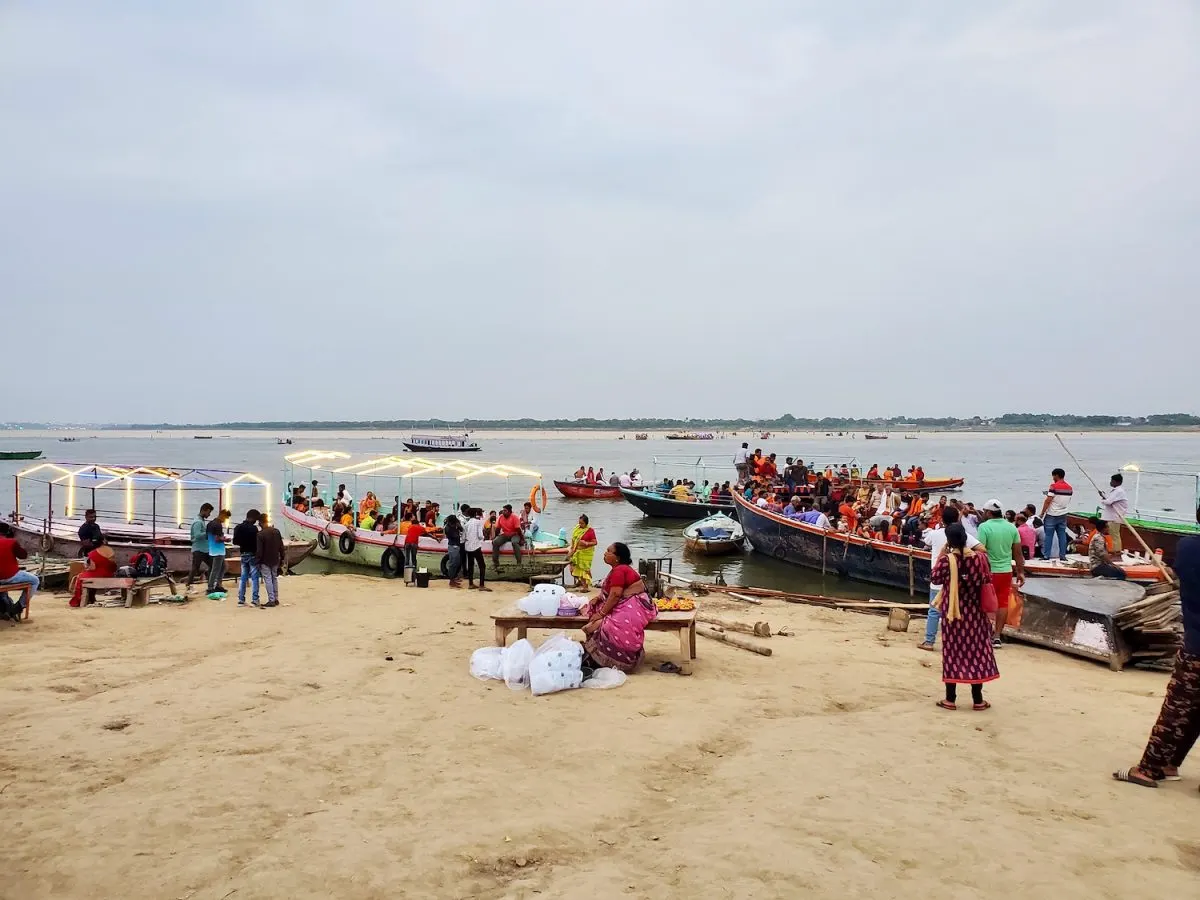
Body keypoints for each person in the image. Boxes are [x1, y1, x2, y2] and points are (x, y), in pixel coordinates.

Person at [1113, 505, 1200, 788]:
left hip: (1196, 650)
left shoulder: (1187, 548)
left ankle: (1151, 768)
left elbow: (1179, 574)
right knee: (1193, 712)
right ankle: (1169, 763)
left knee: (1178, 710)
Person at [929, 524, 999, 710]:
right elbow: (987, 578)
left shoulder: (947, 561)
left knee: (953, 654)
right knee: (976, 654)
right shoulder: (981, 559)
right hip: (976, 614)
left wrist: (942, 554)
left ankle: (950, 699)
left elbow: (935, 578)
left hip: (954, 615)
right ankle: (978, 700)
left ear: (949, 541)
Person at [581, 542, 659, 673]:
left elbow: (615, 595)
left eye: (609, 551)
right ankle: (597, 656)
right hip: (625, 601)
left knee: (611, 625)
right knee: (598, 619)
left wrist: (601, 613)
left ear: (617, 557)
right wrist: (599, 598)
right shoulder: (617, 570)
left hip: (635, 603)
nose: (605, 553)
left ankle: (620, 660)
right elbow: (610, 592)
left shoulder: (620, 570)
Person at [919, 507, 981, 650]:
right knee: (957, 611)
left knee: (934, 610)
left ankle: (929, 641)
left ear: (942, 519)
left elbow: (926, 541)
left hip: (939, 577)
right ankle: (957, 643)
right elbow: (981, 549)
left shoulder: (935, 534)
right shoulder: (963, 535)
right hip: (957, 579)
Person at [976, 499, 1026, 647]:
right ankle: (997, 636)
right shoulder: (1012, 528)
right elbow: (1018, 553)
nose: (983, 514)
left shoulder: (984, 527)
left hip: (989, 571)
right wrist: (1020, 573)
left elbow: (980, 550)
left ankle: (983, 632)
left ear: (989, 513)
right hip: (1006, 571)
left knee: (981, 602)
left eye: (984, 511)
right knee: (1002, 603)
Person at [0, 523, 37, 617]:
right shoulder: (11, 542)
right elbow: (23, 555)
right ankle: (19, 606)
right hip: (9, 576)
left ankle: (5, 607)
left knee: (2, 588)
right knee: (35, 581)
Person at [69, 537, 118, 607]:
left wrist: (87, 568)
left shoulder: (94, 553)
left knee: (81, 576)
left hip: (98, 575)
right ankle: (91, 598)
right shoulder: (110, 550)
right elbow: (114, 566)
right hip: (109, 574)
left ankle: (80, 600)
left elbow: (93, 567)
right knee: (86, 576)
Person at [1040, 467, 1073, 561]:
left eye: (1053, 476)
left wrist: (1042, 513)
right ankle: (1063, 556)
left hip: (1052, 514)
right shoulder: (1070, 488)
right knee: (1062, 535)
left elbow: (1048, 500)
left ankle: (1046, 555)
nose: (1053, 478)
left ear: (1057, 475)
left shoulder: (1053, 486)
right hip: (1063, 514)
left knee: (1049, 535)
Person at [232, 509, 262, 607]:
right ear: (252, 518)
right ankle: (255, 599)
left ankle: (241, 600)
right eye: (256, 519)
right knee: (254, 578)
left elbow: (235, 541)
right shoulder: (254, 529)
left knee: (243, 577)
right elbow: (257, 543)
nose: (256, 522)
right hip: (252, 554)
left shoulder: (238, 527)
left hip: (243, 554)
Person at [256, 512, 284, 607]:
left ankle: (271, 599)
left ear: (260, 522)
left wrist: (257, 561)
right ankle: (275, 598)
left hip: (265, 560)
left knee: (268, 579)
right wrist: (282, 557)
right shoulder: (276, 531)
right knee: (274, 578)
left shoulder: (260, 534)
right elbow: (281, 546)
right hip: (275, 558)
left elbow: (259, 551)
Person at [1099, 473, 1129, 552]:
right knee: (1112, 535)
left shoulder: (1119, 491)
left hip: (1114, 517)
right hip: (1111, 517)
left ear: (1117, 482)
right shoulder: (1115, 491)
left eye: (1112, 480)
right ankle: (1113, 549)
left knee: (1114, 535)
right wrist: (1103, 496)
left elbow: (1108, 502)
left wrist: (1102, 500)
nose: (1110, 482)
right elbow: (1110, 500)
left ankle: (1116, 551)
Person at [187, 503, 214, 590]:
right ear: (204, 510)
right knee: (195, 567)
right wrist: (208, 533)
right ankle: (188, 584)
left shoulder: (201, 520)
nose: (209, 515)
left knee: (212, 565)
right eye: (208, 512)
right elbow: (197, 535)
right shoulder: (198, 522)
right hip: (198, 549)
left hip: (204, 549)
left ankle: (210, 583)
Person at [206, 509, 232, 597]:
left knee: (223, 567)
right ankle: (210, 587)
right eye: (226, 518)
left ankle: (218, 585)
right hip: (218, 550)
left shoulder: (210, 523)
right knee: (215, 569)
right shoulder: (218, 525)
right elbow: (217, 539)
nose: (225, 520)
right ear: (222, 515)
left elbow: (209, 537)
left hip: (212, 549)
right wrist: (226, 539)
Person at [568, 514, 598, 590]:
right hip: (576, 551)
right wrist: (572, 548)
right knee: (572, 568)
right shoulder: (577, 528)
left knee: (583, 570)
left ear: (586, 523)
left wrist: (586, 543)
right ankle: (579, 582)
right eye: (579, 523)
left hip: (585, 552)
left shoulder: (590, 531)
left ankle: (586, 587)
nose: (580, 525)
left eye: (582, 523)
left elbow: (595, 542)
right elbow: (573, 539)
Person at [463, 508, 489, 591]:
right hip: (476, 546)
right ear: (475, 514)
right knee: (482, 565)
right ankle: (481, 585)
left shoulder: (466, 524)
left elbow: (463, 537)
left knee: (470, 565)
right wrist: (484, 537)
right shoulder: (478, 522)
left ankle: (470, 584)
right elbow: (480, 535)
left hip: (468, 547)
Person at [492, 504, 523, 568]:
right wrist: (496, 537)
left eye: (505, 511)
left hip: (515, 534)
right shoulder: (501, 517)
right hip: (505, 534)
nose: (503, 512)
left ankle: (519, 562)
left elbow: (518, 529)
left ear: (509, 511)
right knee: (495, 542)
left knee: (514, 543)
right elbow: (498, 528)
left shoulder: (514, 517)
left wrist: (522, 539)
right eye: (503, 510)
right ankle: (496, 563)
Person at [443, 514, 464, 588]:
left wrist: (458, 526)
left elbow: (461, 530)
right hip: (453, 546)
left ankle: (453, 578)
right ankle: (451, 580)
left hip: (455, 546)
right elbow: (456, 536)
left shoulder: (452, 526)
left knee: (456, 563)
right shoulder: (448, 528)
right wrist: (457, 527)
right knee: (453, 564)